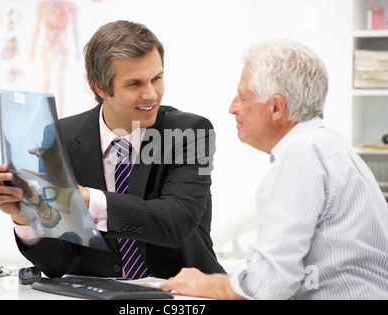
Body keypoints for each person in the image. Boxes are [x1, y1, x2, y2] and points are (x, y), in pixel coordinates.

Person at [0, 20, 225, 279]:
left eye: (156, 78)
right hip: (99, 293)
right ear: (101, 87)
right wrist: (26, 217)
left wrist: (87, 199)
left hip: (182, 294)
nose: (151, 95)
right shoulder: (60, 138)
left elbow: (176, 222)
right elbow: (59, 263)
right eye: (134, 84)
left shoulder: (189, 132)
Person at [160, 39, 388, 300]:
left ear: (276, 107)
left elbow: (268, 284)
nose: (232, 107)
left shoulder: (300, 155)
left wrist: (202, 284)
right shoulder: (331, 146)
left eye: (243, 97)